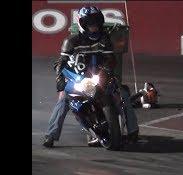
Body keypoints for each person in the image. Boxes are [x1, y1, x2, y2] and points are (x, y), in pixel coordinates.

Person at [42, 6, 139, 148]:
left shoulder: (105, 39)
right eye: (89, 22)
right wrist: (60, 79)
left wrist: (105, 70)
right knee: (63, 100)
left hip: (100, 76)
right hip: (78, 78)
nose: (93, 25)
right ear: (82, 23)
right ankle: (51, 135)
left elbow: (111, 59)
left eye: (96, 21)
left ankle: (133, 131)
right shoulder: (71, 41)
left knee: (122, 93)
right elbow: (61, 63)